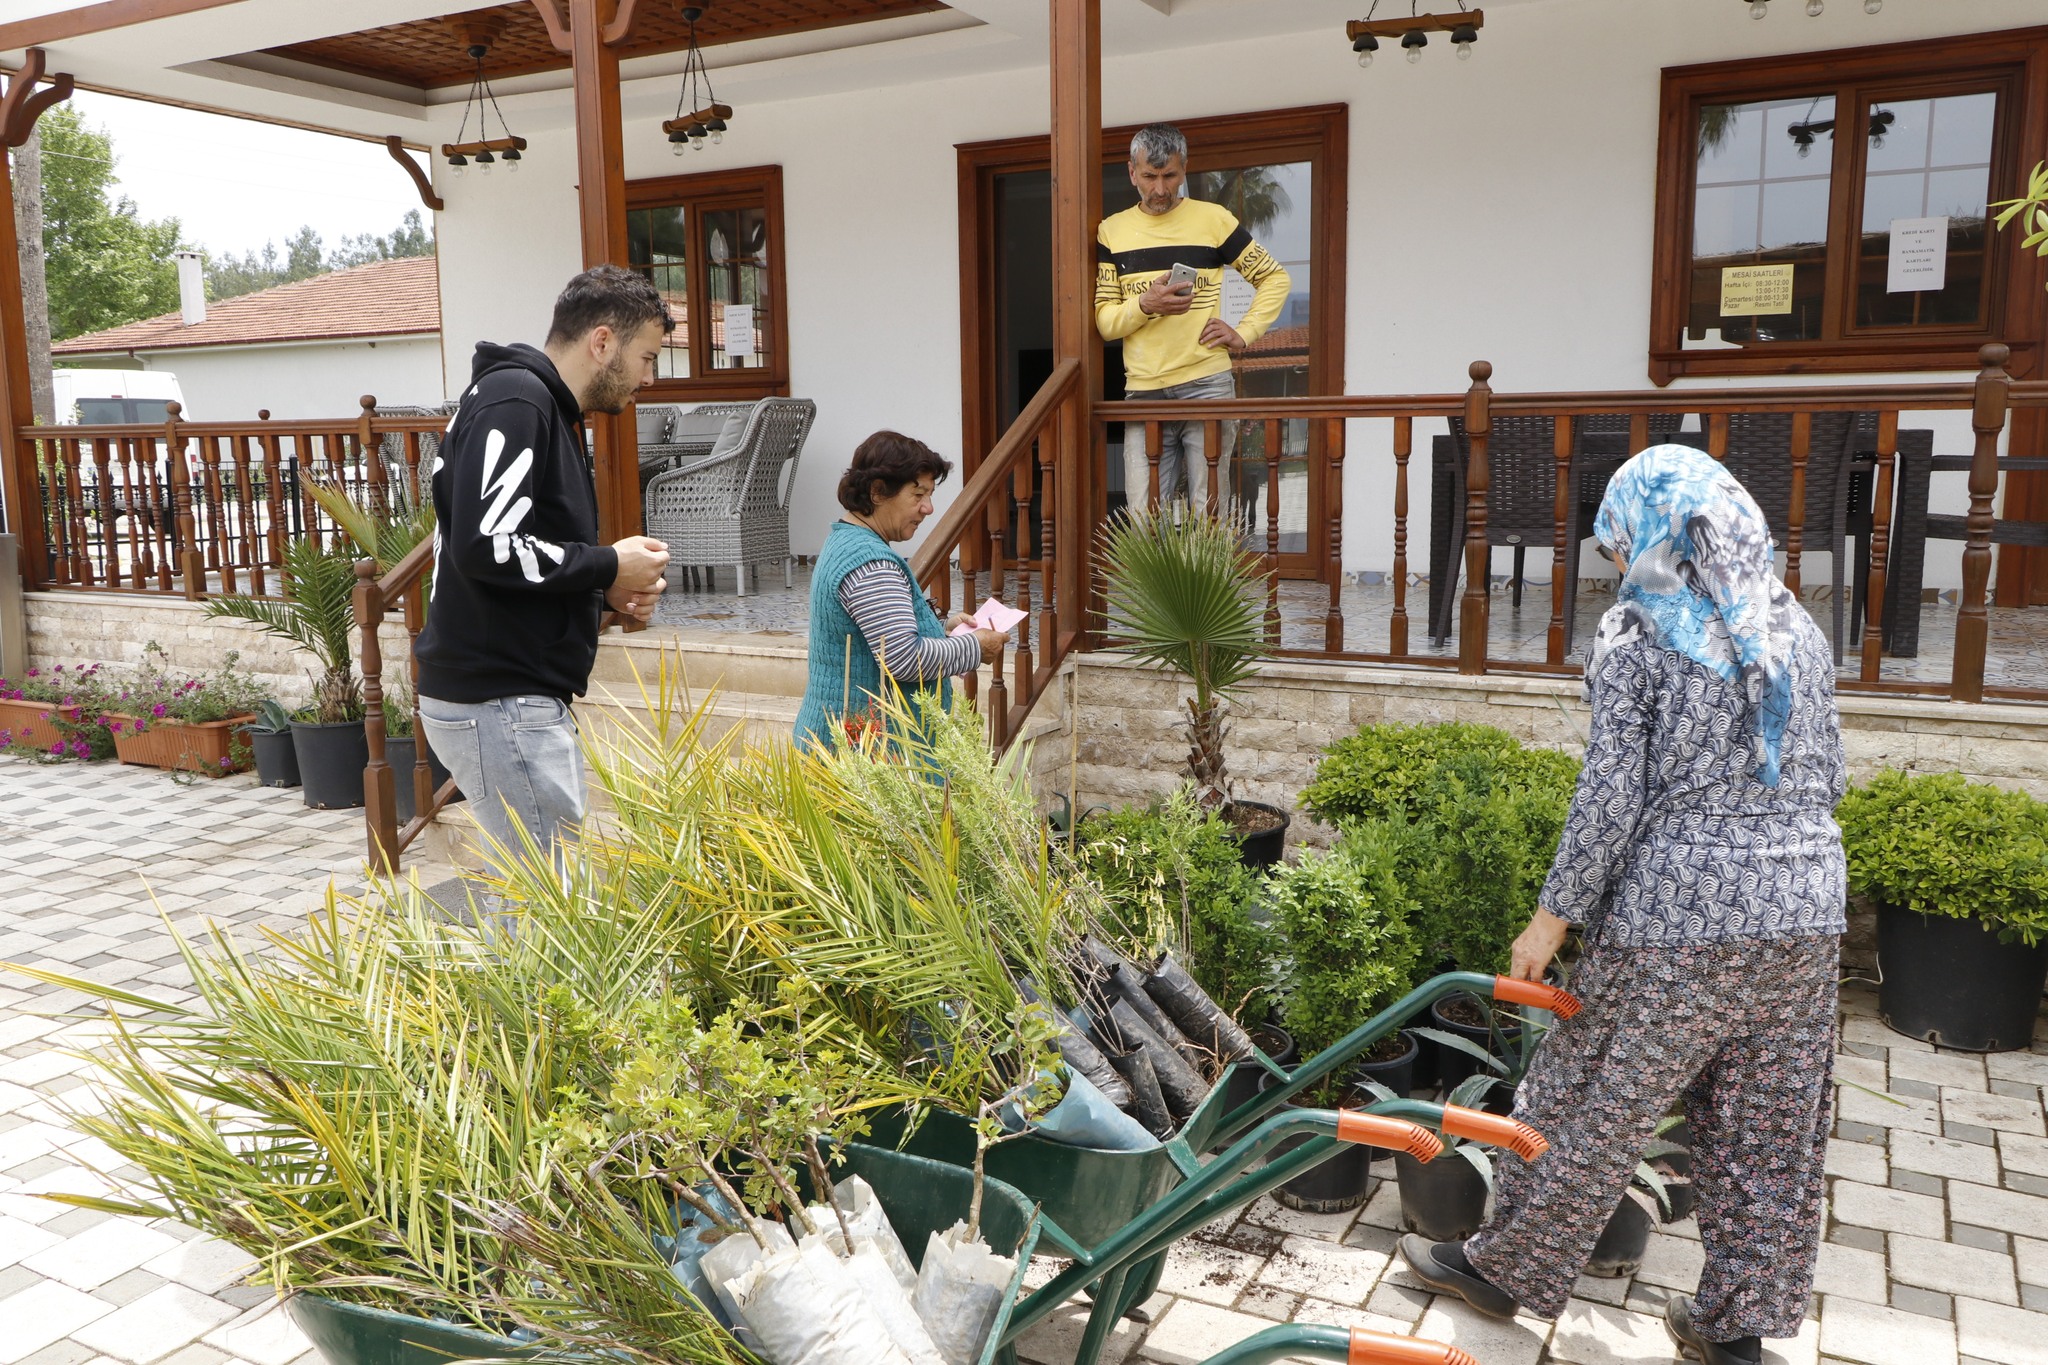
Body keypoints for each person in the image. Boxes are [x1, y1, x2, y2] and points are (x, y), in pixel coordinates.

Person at [1399, 445, 1848, 1365]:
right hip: (1809, 908)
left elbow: (1611, 794)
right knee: (1769, 1123)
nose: (1613, 560)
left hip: (1685, 916)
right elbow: (1829, 773)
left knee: (1587, 1098)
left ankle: (1504, 1270)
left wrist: (1550, 919)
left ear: (1647, 529)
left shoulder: (1643, 631)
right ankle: (1735, 1328)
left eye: (1616, 540)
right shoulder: (1795, 624)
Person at [415, 265, 674, 872]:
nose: (648, 377)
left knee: (539, 905)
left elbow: (499, 553)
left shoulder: (532, 404)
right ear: (603, 342)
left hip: (504, 693)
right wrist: (609, 561)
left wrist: (603, 588)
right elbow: (488, 545)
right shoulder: (519, 403)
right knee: (549, 913)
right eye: (647, 356)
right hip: (501, 696)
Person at [1095, 123, 1290, 514]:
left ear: (1184, 169)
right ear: (1132, 172)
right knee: (1142, 513)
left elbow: (1274, 277)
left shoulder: (1213, 220)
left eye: (1169, 175)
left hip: (1206, 384)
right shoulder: (1111, 231)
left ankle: (1205, 579)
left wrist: (1244, 332)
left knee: (1210, 510)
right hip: (1144, 389)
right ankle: (1154, 580)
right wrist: (1146, 305)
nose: (1161, 189)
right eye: (1149, 177)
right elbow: (1105, 323)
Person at [793, 432, 1008, 750]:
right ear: (878, 492)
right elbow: (904, 660)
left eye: (930, 494)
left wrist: (941, 629)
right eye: (918, 494)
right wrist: (975, 648)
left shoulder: (848, 542)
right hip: (866, 753)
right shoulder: (870, 563)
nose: (928, 508)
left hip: (850, 738)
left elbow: (878, 639)